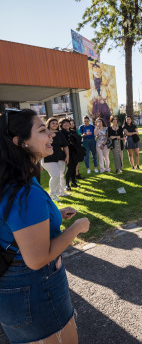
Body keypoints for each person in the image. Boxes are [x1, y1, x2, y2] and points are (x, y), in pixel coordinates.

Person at [0, 108, 90, 343]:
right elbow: (37, 258)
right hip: (36, 291)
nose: (52, 134)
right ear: (20, 142)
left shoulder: (12, 181)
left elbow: (16, 223)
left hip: (13, 294)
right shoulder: (25, 191)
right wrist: (77, 228)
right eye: (42, 130)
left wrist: (54, 214)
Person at [41, 117, 69, 201]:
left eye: (56, 123)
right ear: (48, 124)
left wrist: (67, 156)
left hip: (60, 156)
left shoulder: (60, 133)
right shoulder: (45, 133)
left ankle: (61, 192)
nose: (55, 125)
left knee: (61, 175)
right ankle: (52, 194)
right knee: (55, 175)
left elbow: (65, 146)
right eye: (53, 123)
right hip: (47, 158)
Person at [60, 118, 80, 191]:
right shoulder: (61, 132)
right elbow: (62, 143)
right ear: (61, 125)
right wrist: (70, 142)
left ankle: (73, 182)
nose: (66, 124)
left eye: (68, 123)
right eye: (64, 123)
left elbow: (78, 139)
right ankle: (67, 184)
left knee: (74, 167)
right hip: (67, 152)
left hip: (75, 151)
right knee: (70, 167)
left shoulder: (72, 131)